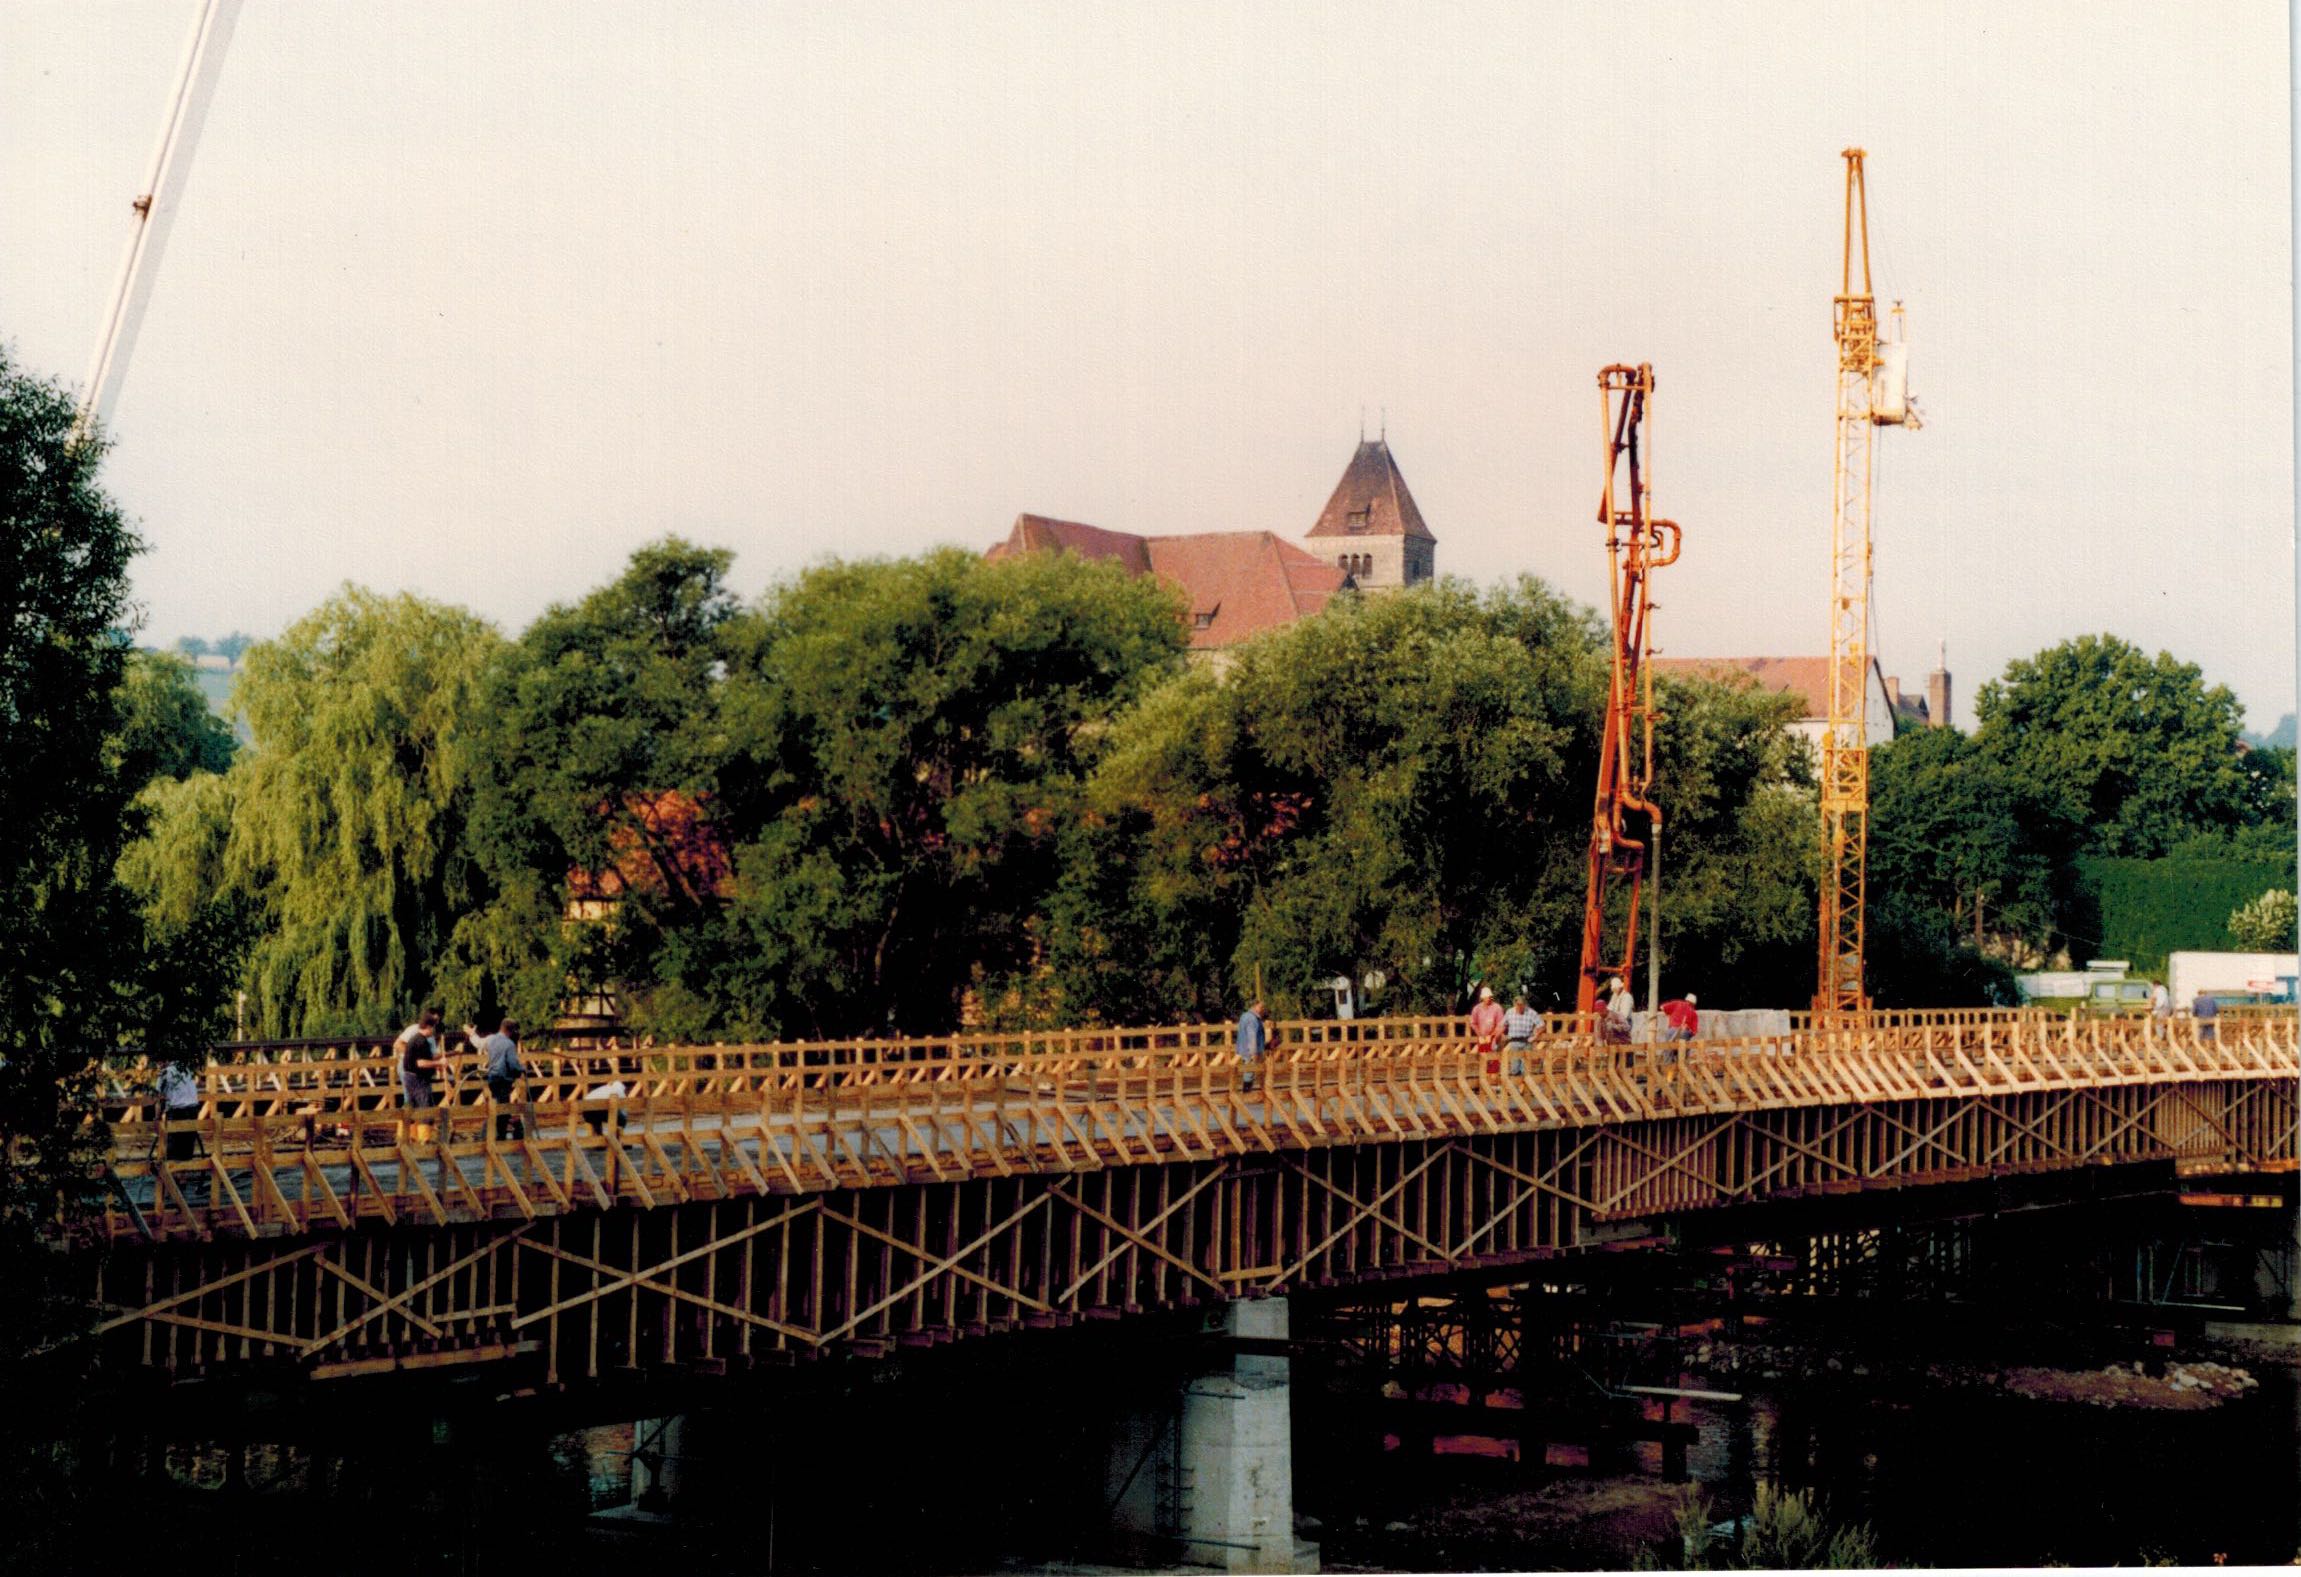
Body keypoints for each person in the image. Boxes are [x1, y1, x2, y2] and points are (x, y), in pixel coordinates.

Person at [466, 1016, 549, 1141]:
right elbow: (513, 1064)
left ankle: (493, 1135)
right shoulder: (509, 1044)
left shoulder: (491, 1039)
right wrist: (521, 1069)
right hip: (503, 1080)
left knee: (499, 1106)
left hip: (492, 1079)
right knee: (502, 1109)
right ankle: (496, 1136)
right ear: (511, 1031)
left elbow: (478, 1043)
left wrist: (472, 1034)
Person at [396, 1008, 451, 1138]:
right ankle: (424, 1139)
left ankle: (406, 1136)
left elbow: (428, 1057)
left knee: (411, 1105)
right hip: (417, 1077)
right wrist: (438, 1063)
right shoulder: (420, 1040)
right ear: (428, 1026)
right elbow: (420, 1062)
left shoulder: (416, 1039)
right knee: (425, 1108)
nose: (433, 1030)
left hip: (411, 1075)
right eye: (433, 1025)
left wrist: (440, 1061)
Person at [157, 1060, 201, 1163]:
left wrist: (158, 1116)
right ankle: (184, 1171)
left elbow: (159, 1098)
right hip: (193, 1110)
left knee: (173, 1150)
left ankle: (174, 1170)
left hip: (177, 1112)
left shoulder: (165, 1073)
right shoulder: (186, 1069)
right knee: (187, 1148)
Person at [1501, 993, 1541, 1075]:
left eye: (1521, 1004)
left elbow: (1542, 1026)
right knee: (1514, 1068)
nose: (1520, 1007)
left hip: (1527, 1041)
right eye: (1518, 1005)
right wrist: (1502, 1034)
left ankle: (1525, 1081)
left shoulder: (1531, 1013)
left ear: (1525, 1004)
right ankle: (1515, 1080)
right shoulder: (1510, 1012)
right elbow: (1502, 1025)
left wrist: (1536, 1035)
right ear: (1514, 1004)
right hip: (1514, 1042)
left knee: (1525, 1069)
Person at [1235, 999, 1267, 1090]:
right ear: (1255, 1006)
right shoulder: (1253, 1019)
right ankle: (1247, 1092)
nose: (1262, 1009)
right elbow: (1252, 1036)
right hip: (1250, 1050)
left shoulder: (1244, 1016)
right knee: (1249, 1072)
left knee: (1248, 1070)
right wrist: (1254, 1052)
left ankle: (1247, 1090)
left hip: (1243, 1048)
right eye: (1261, 1007)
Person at [1468, 986, 1505, 1050]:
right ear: (1482, 998)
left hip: (1495, 1037)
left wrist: (1491, 1036)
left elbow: (1500, 1025)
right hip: (1482, 1037)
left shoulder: (1497, 1008)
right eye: (1486, 997)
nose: (1489, 999)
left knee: (1494, 1049)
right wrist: (1480, 1035)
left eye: (1490, 997)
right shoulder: (1476, 1009)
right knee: (1478, 1052)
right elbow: (1473, 1023)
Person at [1602, 977, 1635, 1045]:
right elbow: (1610, 1007)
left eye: (1615, 988)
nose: (1614, 990)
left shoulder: (1627, 997)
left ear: (1620, 987)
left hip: (1625, 1023)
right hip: (1616, 1022)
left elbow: (1624, 1015)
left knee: (1622, 1041)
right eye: (1613, 989)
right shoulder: (1615, 996)